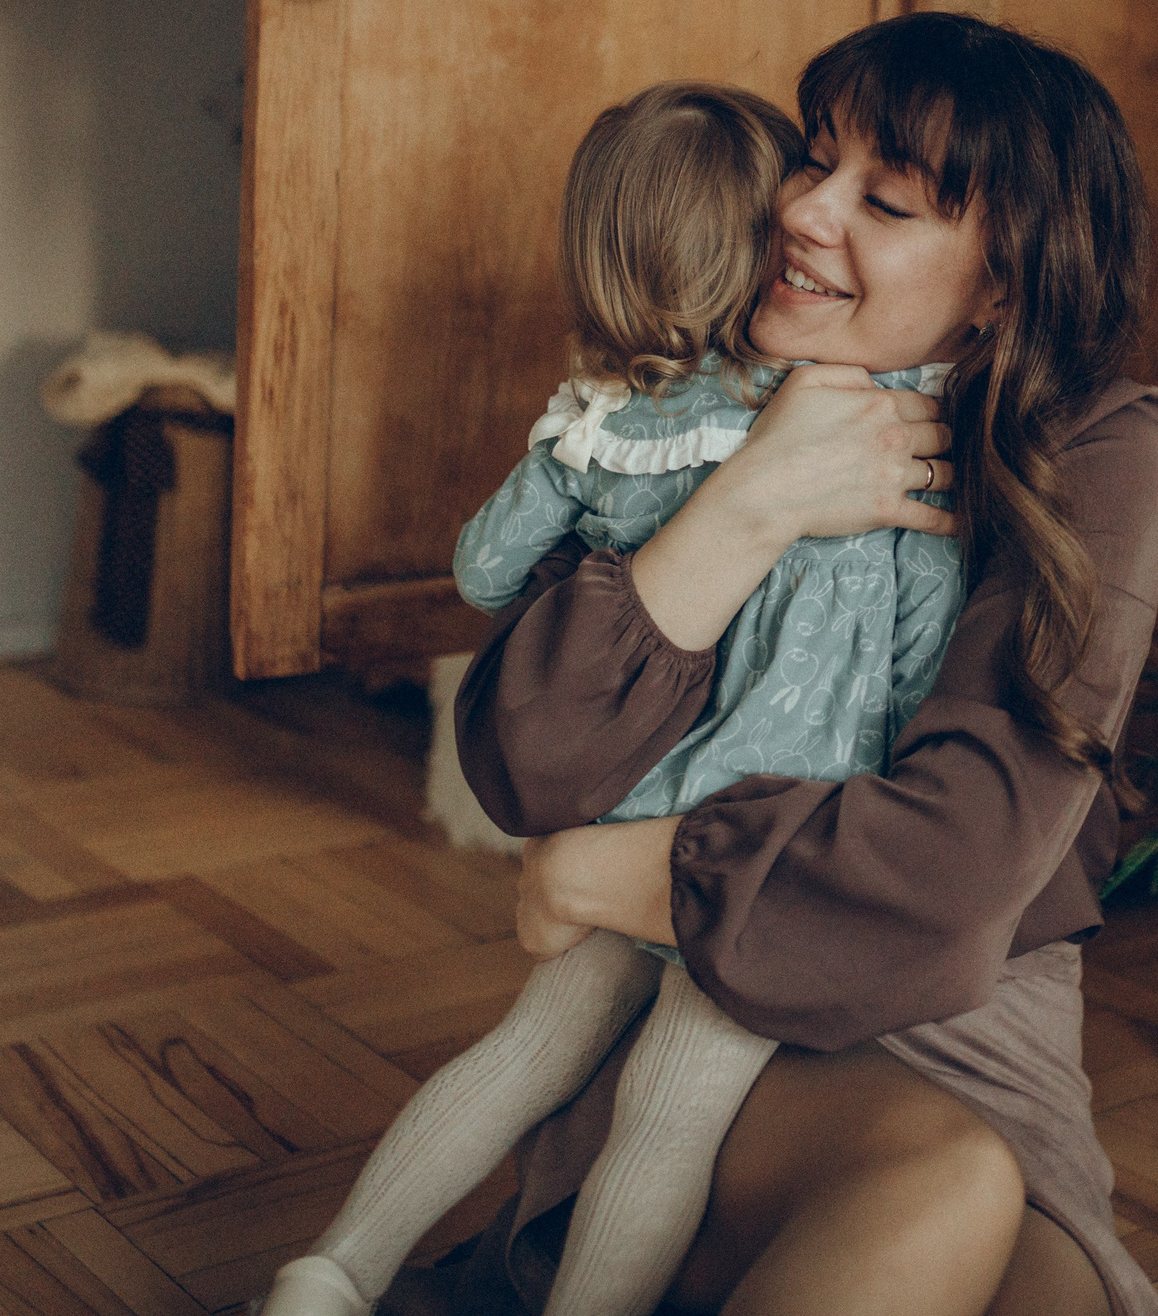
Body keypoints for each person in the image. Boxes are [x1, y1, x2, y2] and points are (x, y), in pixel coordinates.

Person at [451, 12, 1158, 1316]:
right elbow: (527, 757)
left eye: (883, 198)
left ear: (1005, 279)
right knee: (941, 1194)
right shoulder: (696, 395)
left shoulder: (1099, 441)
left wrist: (617, 865)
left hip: (967, 1009)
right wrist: (753, 500)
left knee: (1040, 1288)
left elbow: (957, 873)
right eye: (816, 158)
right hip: (702, 990)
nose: (802, 210)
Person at [260, 81, 964, 1316]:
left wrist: (580, 495)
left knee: (525, 1053)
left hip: (633, 812)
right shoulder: (874, 422)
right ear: (763, 247)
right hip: (769, 841)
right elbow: (920, 659)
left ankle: (328, 1274)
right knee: (670, 1114)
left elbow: (482, 569)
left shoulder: (608, 426)